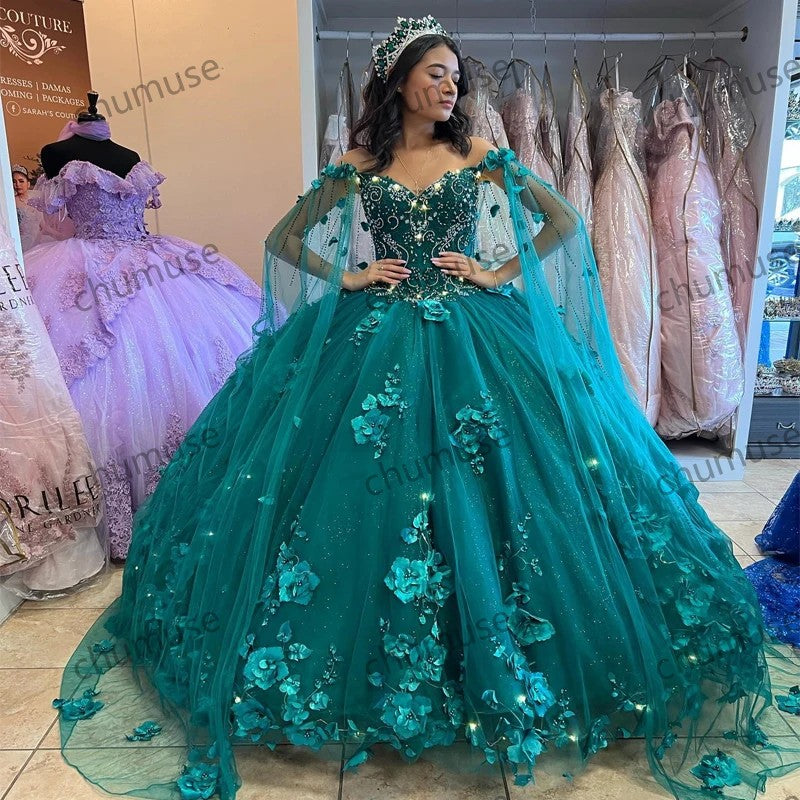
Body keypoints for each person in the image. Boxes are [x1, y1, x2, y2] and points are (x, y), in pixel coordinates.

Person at [55, 15, 800, 800]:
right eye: (436, 73)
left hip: (477, 335)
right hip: (372, 335)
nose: (451, 87)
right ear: (398, 80)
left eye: (455, 76)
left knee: (518, 480)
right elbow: (286, 238)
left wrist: (494, 272)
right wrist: (347, 276)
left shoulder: (478, 154)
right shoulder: (358, 164)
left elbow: (563, 221)